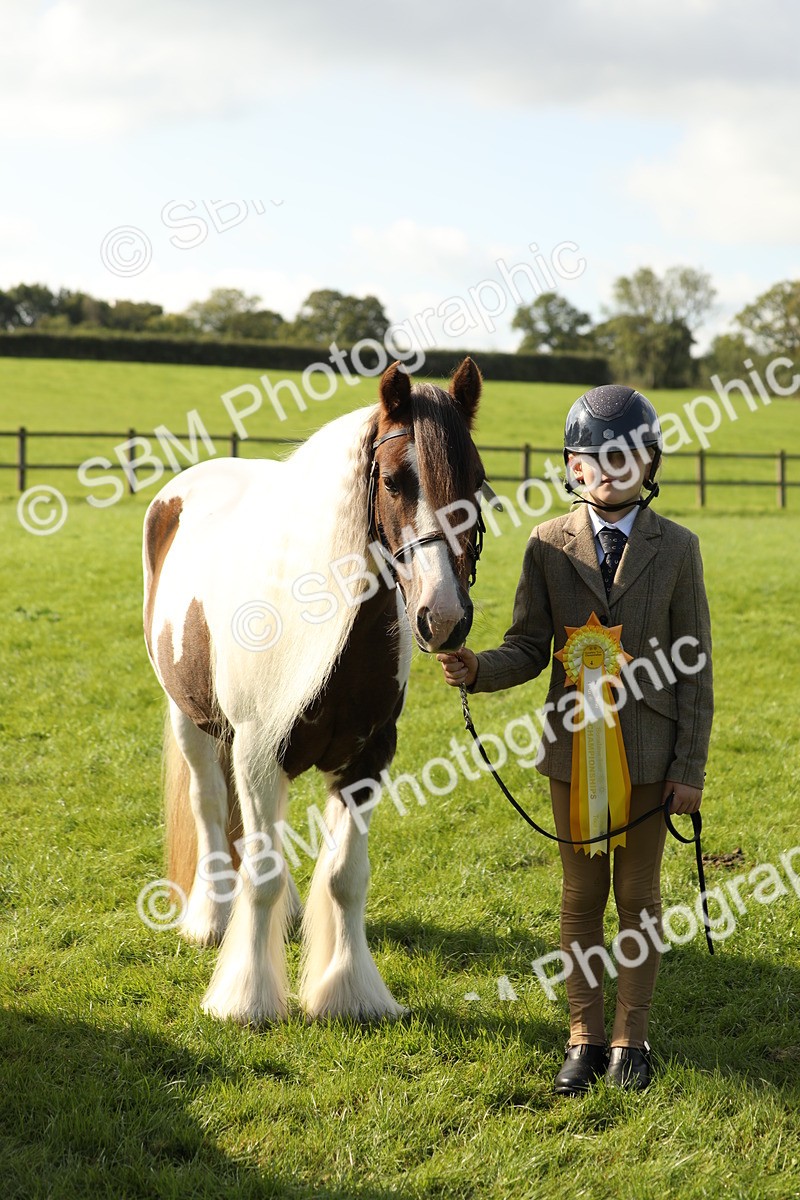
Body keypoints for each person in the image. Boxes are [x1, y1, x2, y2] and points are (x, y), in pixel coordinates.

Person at [438, 385, 713, 1094]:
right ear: (573, 466)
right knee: (580, 898)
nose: (611, 470)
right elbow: (529, 646)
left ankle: (631, 1040)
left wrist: (689, 767)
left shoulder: (679, 549)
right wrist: (478, 669)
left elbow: (695, 667)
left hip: (651, 758)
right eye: (596, 458)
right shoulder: (546, 545)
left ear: (650, 463)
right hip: (572, 757)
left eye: (627, 456)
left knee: (639, 898)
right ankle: (584, 1037)